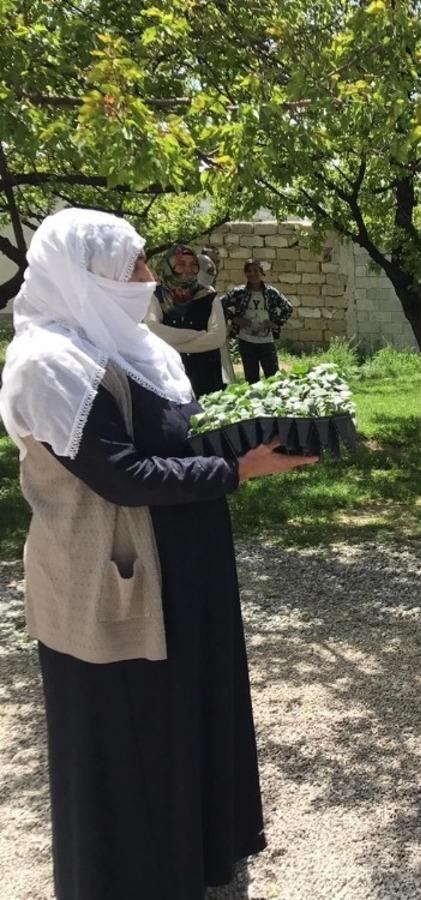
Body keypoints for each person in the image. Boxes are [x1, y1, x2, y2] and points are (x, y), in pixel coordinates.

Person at [0, 208, 317, 900]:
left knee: (184, 716)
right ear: (86, 276)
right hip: (112, 583)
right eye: (134, 265)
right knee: (129, 735)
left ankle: (195, 858)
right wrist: (238, 471)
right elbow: (121, 475)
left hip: (185, 570)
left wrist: (260, 429)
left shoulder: (139, 348)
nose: (148, 279)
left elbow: (182, 434)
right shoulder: (50, 363)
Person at [145, 243, 231, 397]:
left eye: (193, 265)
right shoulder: (156, 296)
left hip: (206, 374)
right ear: (169, 267)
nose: (188, 269)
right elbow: (153, 331)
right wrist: (196, 334)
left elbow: (217, 338)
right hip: (169, 374)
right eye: (180, 265)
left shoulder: (208, 296)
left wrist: (173, 344)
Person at [221, 258, 294, 384]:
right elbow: (219, 305)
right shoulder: (239, 293)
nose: (252, 274)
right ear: (245, 273)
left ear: (261, 273)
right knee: (251, 379)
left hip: (266, 341)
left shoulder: (271, 293)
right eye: (249, 271)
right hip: (246, 341)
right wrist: (235, 319)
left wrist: (275, 323)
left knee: (273, 378)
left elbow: (288, 308)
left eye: (256, 271)